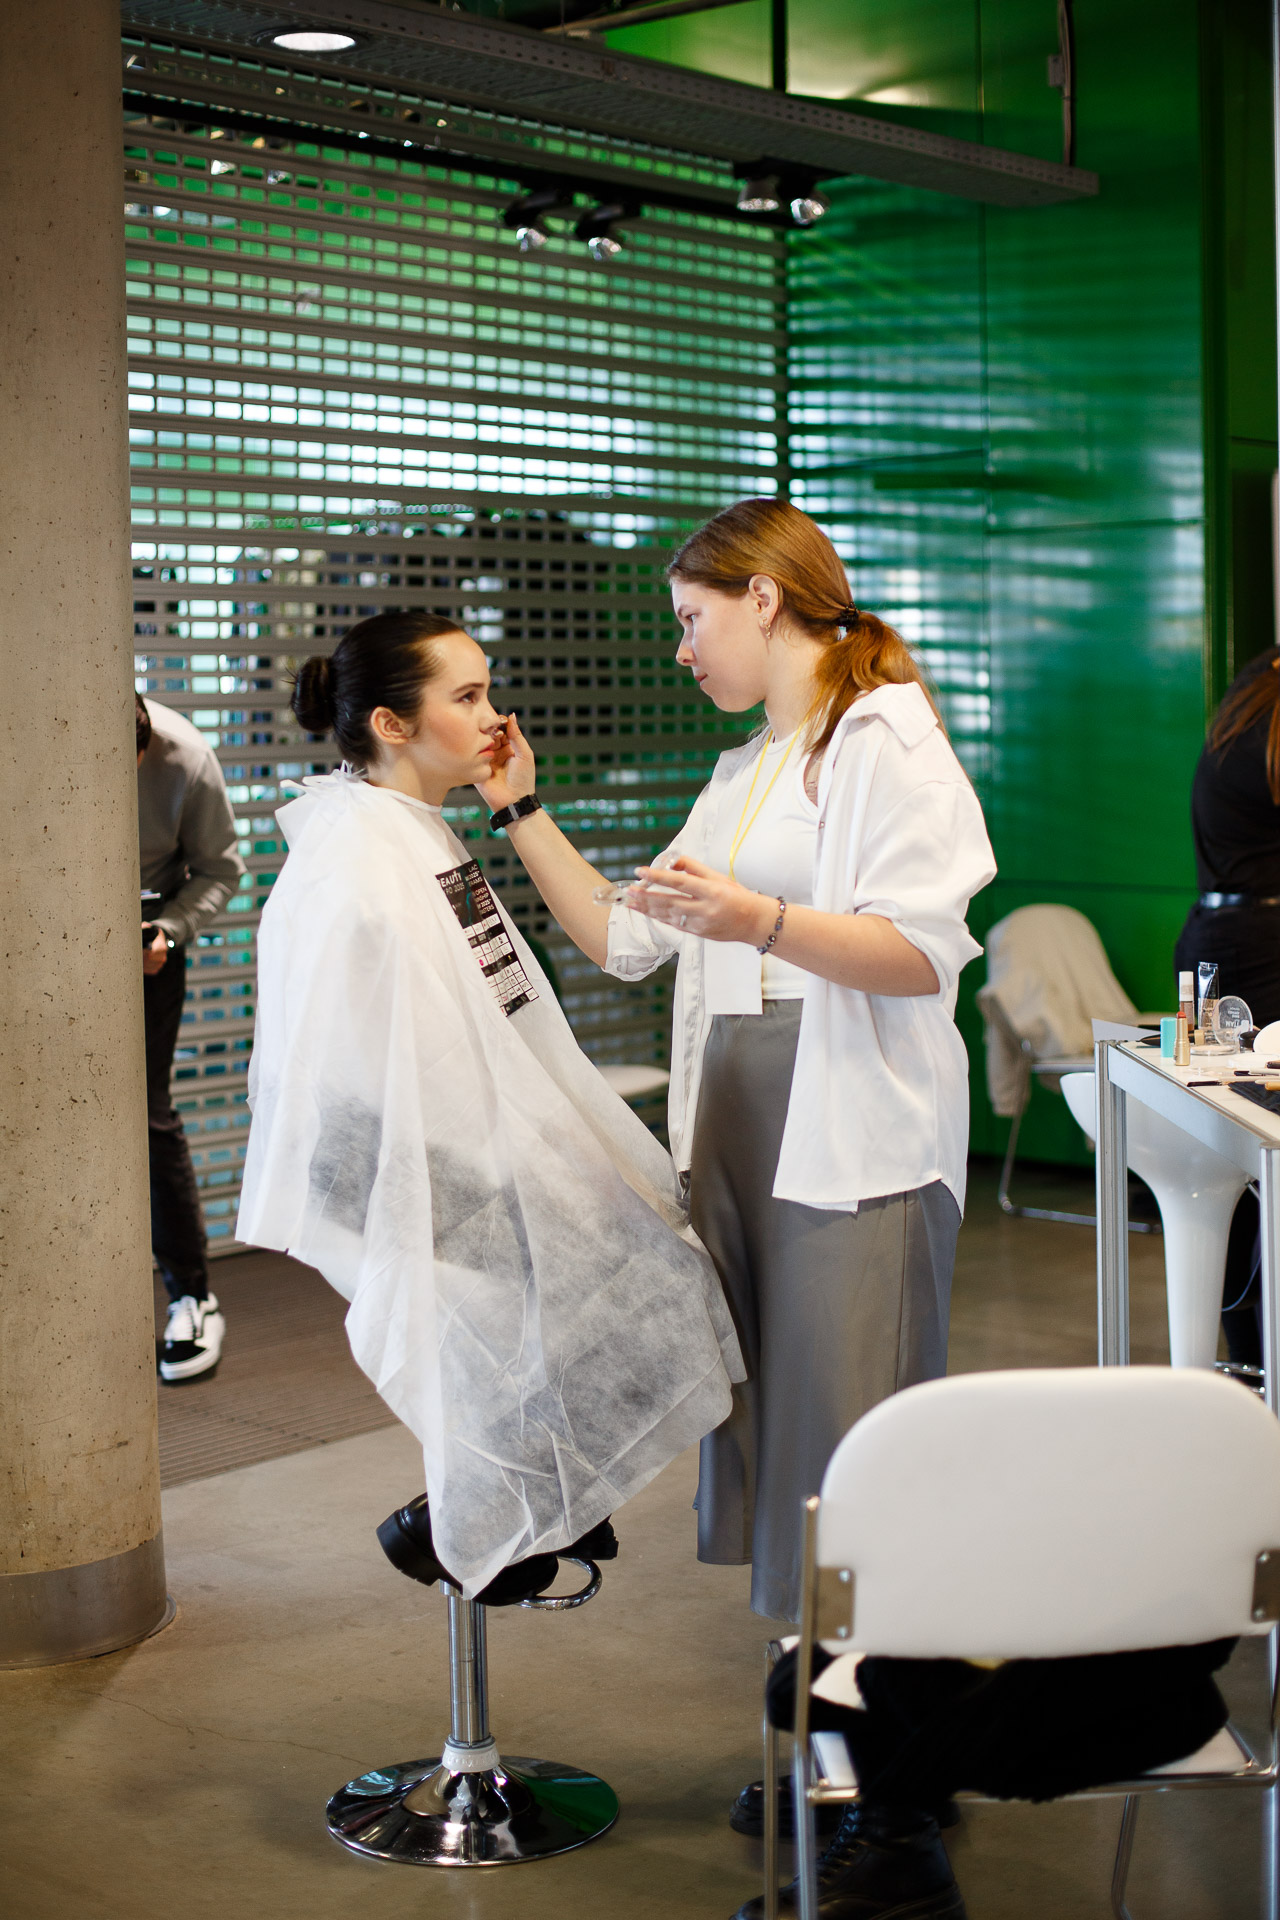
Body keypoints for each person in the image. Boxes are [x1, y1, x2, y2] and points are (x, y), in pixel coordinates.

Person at [475, 497, 996, 1919]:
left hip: (851, 1145)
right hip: (748, 1137)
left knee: (854, 1460)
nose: (682, 645)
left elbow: (917, 954)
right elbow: (624, 938)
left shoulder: (883, 737)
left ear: (764, 596)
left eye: (692, 617)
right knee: (789, 1459)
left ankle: (900, 1809)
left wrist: (757, 921)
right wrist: (520, 809)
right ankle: (848, 1748)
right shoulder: (748, 769)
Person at [235, 613, 743, 1599]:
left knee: (658, 1285)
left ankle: (520, 1505)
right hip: (423, 1164)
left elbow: (496, 1009)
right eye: (465, 698)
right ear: (389, 724)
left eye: (489, 690)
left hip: (468, 1151)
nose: (494, 717)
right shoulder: (359, 859)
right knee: (645, 1292)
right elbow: (374, 1063)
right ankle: (482, 1518)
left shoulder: (409, 832)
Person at [1174, 645, 1280, 1368]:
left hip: (1223, 944)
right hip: (1250, 955)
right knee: (1249, 1154)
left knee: (1239, 1158)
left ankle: (1249, 1352)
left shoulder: (1249, 705)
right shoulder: (1265, 730)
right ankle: (1254, 1352)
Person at [137, 693, 245, 1383]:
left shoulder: (187, 756)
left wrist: (170, 932)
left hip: (145, 939)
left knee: (147, 1117)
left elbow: (221, 869)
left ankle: (192, 1299)